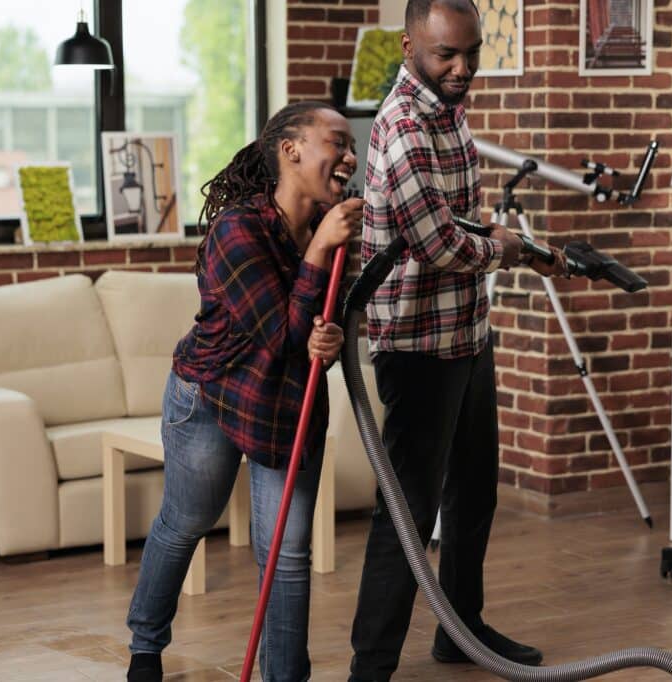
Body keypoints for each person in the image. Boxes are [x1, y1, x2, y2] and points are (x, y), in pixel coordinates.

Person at [348, 1, 567, 680]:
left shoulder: (449, 113)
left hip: (467, 334)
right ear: (411, 44)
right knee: (408, 510)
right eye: (447, 54)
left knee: (473, 491)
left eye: (471, 53)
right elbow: (438, 241)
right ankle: (371, 667)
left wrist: (500, 240)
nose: (463, 68)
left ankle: (460, 629)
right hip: (417, 347)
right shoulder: (407, 125)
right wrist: (507, 246)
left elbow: (457, 219)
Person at [125, 101, 364, 682]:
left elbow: (318, 327)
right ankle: (145, 649)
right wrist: (316, 254)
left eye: (352, 145)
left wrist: (332, 334)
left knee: (286, 552)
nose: (350, 157)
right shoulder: (237, 229)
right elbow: (281, 335)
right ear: (291, 150)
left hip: (283, 407)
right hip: (209, 396)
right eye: (337, 141)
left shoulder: (337, 233)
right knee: (186, 522)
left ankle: (285, 677)